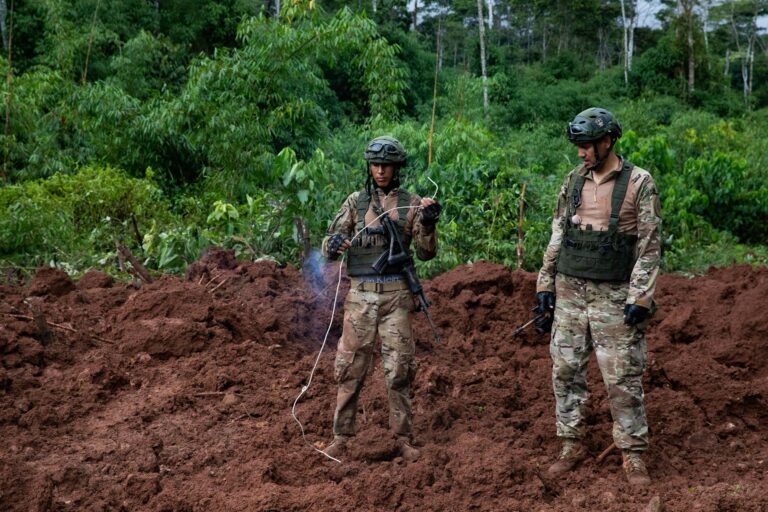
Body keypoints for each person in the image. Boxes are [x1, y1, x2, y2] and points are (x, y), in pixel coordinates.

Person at [535, 108, 662, 486]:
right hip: (571, 290)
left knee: (622, 375)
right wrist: (545, 284)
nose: (581, 153)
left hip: (614, 294)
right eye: (578, 146)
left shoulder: (639, 183)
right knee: (565, 368)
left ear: (608, 142)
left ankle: (633, 453)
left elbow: (650, 245)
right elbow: (558, 233)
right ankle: (571, 443)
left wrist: (640, 296)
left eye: (587, 145)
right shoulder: (573, 181)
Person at [320, 136, 441, 462]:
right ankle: (342, 437)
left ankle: (402, 437)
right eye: (375, 165)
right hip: (360, 297)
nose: (381, 171)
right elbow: (330, 242)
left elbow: (427, 253)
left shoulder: (412, 202)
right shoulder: (356, 202)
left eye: (387, 165)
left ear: (397, 167)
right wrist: (333, 244)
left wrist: (429, 223)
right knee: (349, 369)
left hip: (396, 297)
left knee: (399, 370)